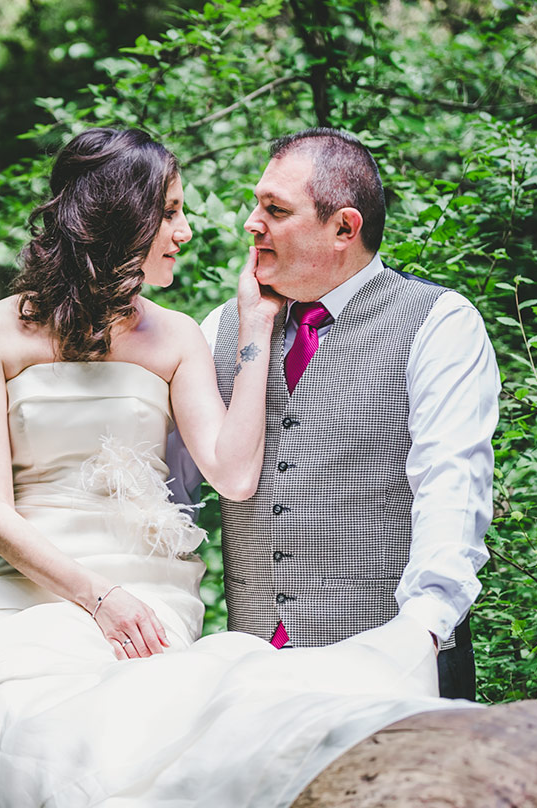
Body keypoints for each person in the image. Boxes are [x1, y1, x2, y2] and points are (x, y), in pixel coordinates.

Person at [0, 128, 468, 808]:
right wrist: (96, 599)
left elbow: (233, 475)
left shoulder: (179, 334)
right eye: (170, 212)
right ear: (118, 218)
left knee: (128, 745)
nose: (187, 229)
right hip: (29, 593)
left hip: (150, 597)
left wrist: (252, 331)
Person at [168, 128, 500, 701]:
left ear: (345, 228)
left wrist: (420, 633)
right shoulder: (214, 331)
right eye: (256, 203)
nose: (252, 222)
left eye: (275, 209)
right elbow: (170, 502)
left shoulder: (439, 322)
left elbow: (453, 484)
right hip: (251, 681)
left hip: (398, 669)